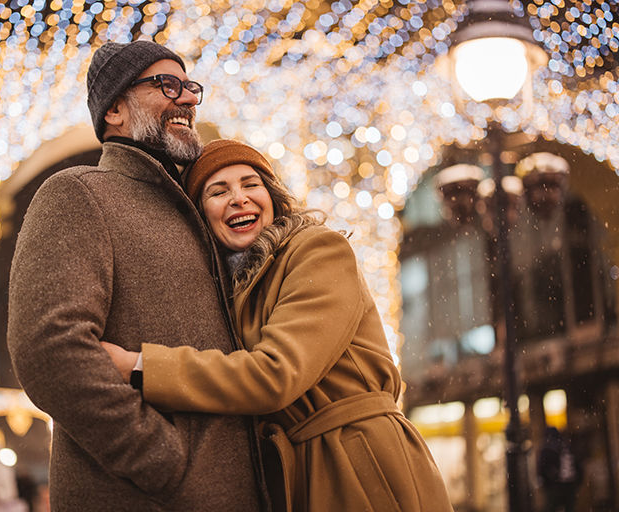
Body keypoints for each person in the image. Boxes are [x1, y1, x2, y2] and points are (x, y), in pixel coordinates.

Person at [103, 139, 454, 512]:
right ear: (201, 217)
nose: (239, 198)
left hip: (360, 460)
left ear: (272, 195)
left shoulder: (317, 251)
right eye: (218, 192)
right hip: (298, 468)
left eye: (250, 184)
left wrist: (139, 366)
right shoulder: (228, 288)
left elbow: (275, 374)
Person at [7, 42, 266, 511]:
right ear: (115, 110)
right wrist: (163, 462)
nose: (186, 98)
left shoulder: (200, 213)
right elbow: (49, 350)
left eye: (189, 87)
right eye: (166, 85)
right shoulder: (78, 194)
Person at [538, 426, 581, 512]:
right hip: (568, 484)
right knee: (569, 507)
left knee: (551, 507)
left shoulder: (548, 449)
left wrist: (549, 479)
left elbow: (542, 469)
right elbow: (578, 465)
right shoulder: (566, 447)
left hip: (556, 485)